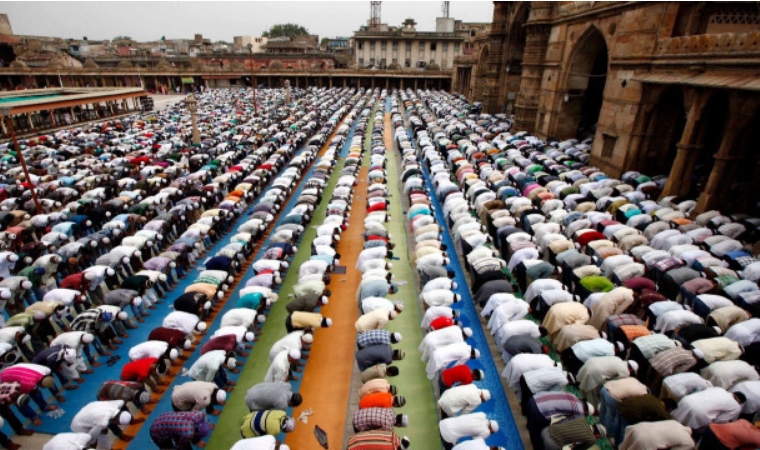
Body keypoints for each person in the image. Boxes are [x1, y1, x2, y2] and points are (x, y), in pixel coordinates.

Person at [671, 387, 744, 430]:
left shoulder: (719, 389)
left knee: (671, 421)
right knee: (683, 430)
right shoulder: (736, 406)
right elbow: (721, 420)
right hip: (699, 412)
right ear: (739, 402)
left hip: (687, 400)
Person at [70, 400, 134, 444]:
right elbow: (90, 437)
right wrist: (93, 443)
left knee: (103, 433)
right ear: (115, 421)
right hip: (79, 425)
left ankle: (108, 448)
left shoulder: (119, 403)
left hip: (89, 411)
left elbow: (121, 401)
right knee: (88, 442)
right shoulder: (102, 422)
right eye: (118, 423)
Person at [618, 419, 694, 450]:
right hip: (647, 440)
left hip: (639, 428)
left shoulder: (676, 422)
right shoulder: (689, 442)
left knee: (627, 446)